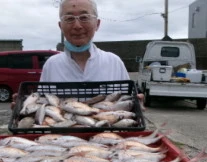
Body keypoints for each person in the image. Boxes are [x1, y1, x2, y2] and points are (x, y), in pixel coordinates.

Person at [12, 0, 144, 108]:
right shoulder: (51, 65)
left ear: (97, 24)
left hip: (106, 138)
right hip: (63, 139)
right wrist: (24, 107)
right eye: (69, 18)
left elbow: (126, 105)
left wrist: (137, 105)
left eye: (84, 17)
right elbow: (43, 106)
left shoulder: (114, 62)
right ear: (60, 26)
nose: (77, 25)